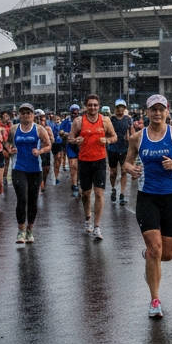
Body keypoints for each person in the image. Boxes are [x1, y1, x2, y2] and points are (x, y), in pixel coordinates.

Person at [124, 95, 172, 316]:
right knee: (155, 249)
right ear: (146, 112)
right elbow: (127, 161)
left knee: (167, 254)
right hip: (147, 198)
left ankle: (149, 260)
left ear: (167, 111)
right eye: (153, 109)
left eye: (161, 109)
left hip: (171, 197)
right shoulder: (137, 138)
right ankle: (155, 300)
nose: (157, 113)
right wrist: (130, 169)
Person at [69, 94, 117, 240]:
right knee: (85, 193)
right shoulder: (79, 121)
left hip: (100, 161)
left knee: (99, 193)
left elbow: (114, 137)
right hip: (84, 161)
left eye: (95, 105)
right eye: (90, 105)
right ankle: (87, 218)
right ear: (86, 106)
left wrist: (107, 140)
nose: (93, 108)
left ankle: (97, 226)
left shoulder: (105, 120)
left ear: (99, 106)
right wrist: (75, 140)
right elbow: (70, 138)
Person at [7, 104, 53, 244]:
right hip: (18, 168)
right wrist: (10, 150)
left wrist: (40, 152)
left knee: (32, 200)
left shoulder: (39, 129)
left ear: (33, 115)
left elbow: (48, 145)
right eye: (23, 113)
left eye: (28, 113)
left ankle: (30, 230)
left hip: (35, 169)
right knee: (22, 198)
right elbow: (8, 144)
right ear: (19, 115)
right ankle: (21, 230)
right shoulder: (14, 129)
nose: (26, 115)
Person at [108, 98, 135, 204]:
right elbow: (106, 131)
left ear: (125, 108)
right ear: (115, 109)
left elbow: (132, 132)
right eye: (118, 108)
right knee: (113, 173)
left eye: (122, 108)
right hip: (113, 149)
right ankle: (113, 188)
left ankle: (122, 194)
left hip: (124, 149)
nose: (120, 110)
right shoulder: (111, 119)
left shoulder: (128, 119)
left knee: (124, 171)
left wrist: (132, 139)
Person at [59, 103, 81, 196]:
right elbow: (60, 132)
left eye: (76, 113)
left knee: (81, 166)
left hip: (80, 146)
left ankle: (79, 182)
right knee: (73, 165)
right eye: (73, 113)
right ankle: (74, 185)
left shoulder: (82, 120)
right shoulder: (66, 121)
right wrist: (66, 134)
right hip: (70, 145)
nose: (75, 115)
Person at [34, 109, 53, 189]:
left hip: (44, 150)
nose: (40, 121)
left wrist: (48, 138)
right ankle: (38, 183)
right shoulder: (32, 128)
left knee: (46, 168)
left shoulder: (47, 128)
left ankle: (43, 181)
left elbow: (52, 140)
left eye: (41, 119)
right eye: (37, 118)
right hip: (35, 151)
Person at [47, 112, 64, 185]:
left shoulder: (61, 124)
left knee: (59, 158)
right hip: (54, 143)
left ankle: (56, 176)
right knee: (56, 159)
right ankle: (54, 175)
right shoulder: (49, 124)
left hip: (60, 142)